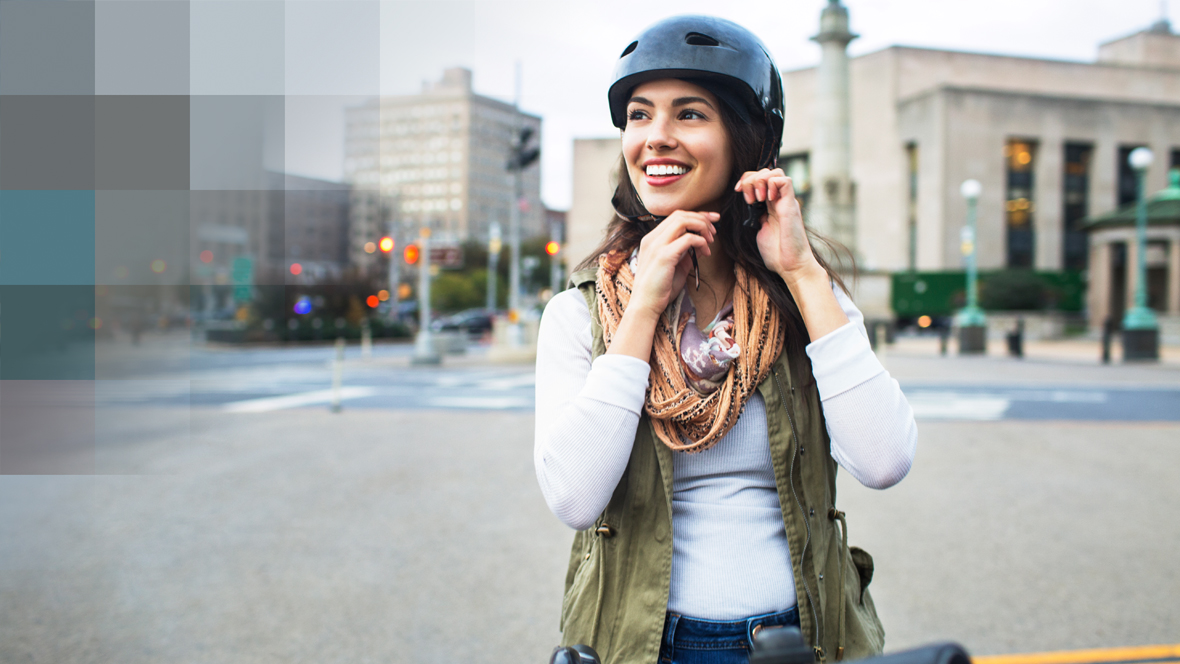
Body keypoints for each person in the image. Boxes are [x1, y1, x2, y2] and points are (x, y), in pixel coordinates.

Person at [534, 16, 916, 664]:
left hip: (802, 638)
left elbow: (884, 461)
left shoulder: (804, 296)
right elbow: (573, 497)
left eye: (689, 114)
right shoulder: (581, 311)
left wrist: (801, 271)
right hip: (644, 645)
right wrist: (644, 305)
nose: (656, 137)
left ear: (746, 140)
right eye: (639, 114)